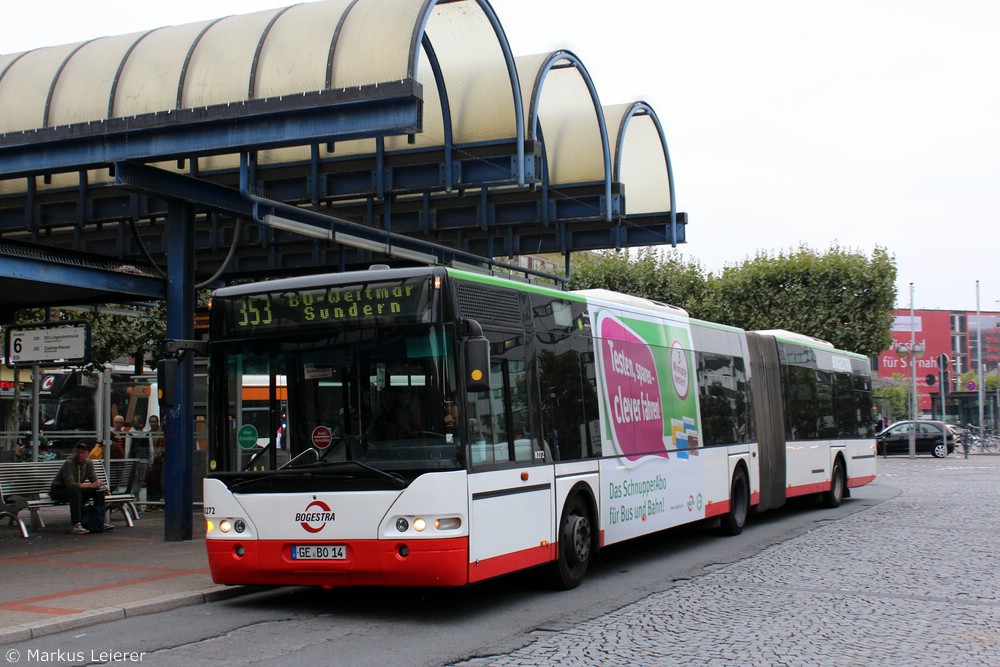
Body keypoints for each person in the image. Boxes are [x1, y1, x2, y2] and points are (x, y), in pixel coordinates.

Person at [50, 442, 114, 535]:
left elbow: (94, 480)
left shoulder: (88, 463)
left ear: (87, 454)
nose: (80, 455)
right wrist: (90, 486)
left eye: (83, 453)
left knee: (98, 491)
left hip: (76, 490)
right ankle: (76, 524)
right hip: (60, 490)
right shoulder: (69, 463)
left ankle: (98, 521)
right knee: (75, 491)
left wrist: (102, 486)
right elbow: (70, 485)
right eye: (78, 452)